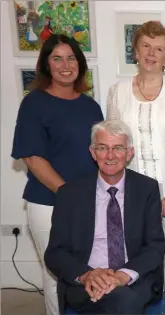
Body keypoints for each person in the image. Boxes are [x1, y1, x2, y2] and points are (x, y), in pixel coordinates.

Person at [106, 21, 165, 315]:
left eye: (159, 49)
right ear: (135, 50)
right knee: (135, 258)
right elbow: (112, 146)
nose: (151, 53)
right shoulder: (117, 91)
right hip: (131, 195)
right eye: (146, 45)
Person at [11, 34, 104, 315]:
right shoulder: (35, 103)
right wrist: (68, 194)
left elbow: (101, 153)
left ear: (80, 63)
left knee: (86, 272)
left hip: (87, 204)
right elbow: (32, 156)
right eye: (57, 58)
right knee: (56, 277)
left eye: (71, 58)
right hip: (48, 204)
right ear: (46, 65)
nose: (65, 65)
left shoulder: (91, 106)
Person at [44, 120, 165, 314]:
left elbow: (155, 246)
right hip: (86, 282)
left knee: (124, 299)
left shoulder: (147, 189)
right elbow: (55, 252)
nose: (110, 155)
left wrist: (121, 276)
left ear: (129, 153)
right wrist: (87, 275)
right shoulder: (69, 193)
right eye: (103, 148)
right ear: (93, 152)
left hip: (133, 280)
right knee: (121, 302)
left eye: (118, 148)